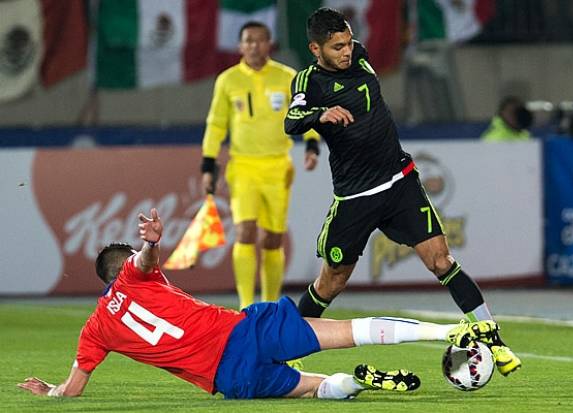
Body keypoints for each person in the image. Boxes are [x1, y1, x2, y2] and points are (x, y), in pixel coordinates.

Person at [17, 208, 497, 400]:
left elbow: (74, 389)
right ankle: (451, 332)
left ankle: (357, 383)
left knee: (315, 390)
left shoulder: (94, 330)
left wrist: (51, 392)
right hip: (243, 329)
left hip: (230, 377)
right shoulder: (137, 273)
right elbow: (145, 260)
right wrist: (150, 243)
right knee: (348, 329)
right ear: (121, 271)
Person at [284, 7, 521, 376]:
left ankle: (495, 343)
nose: (347, 52)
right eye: (336, 47)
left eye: (348, 42)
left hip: (399, 183)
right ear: (315, 49)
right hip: (355, 197)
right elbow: (291, 121)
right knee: (331, 282)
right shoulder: (308, 82)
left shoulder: (360, 55)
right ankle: (286, 348)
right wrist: (321, 115)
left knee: (441, 259)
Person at [201, 21, 321, 309]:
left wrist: (313, 144)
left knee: (273, 237)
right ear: (240, 46)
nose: (254, 45)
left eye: (259, 40)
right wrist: (208, 164)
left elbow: (306, 113)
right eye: (248, 40)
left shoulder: (287, 77)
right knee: (245, 230)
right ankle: (245, 306)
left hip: (278, 166)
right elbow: (216, 124)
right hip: (243, 166)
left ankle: (268, 303)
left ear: (270, 44)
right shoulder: (228, 80)